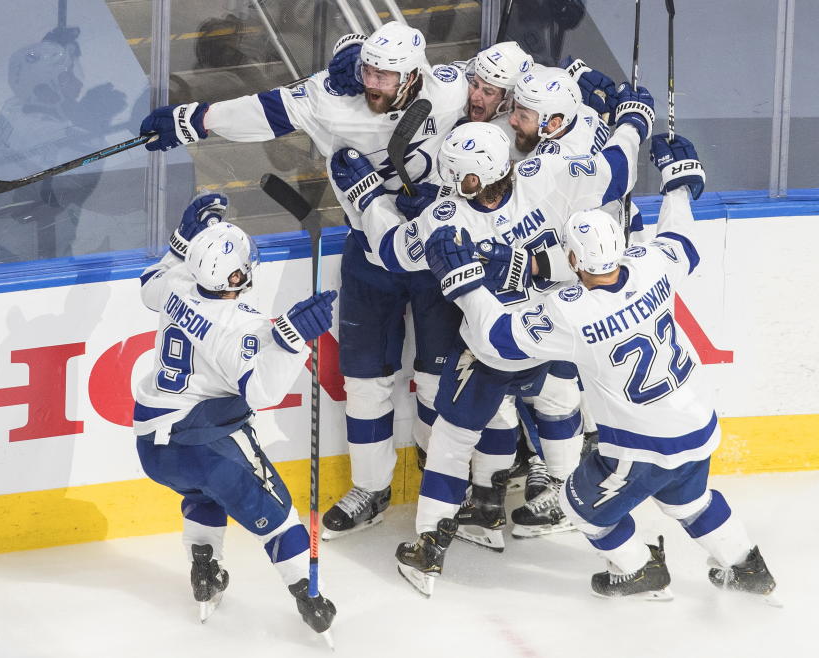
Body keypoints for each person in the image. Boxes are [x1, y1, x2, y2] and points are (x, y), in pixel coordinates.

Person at [138, 21, 469, 540]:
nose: (373, 83)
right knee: (363, 387)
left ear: (413, 75)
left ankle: (441, 486)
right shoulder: (332, 96)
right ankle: (372, 488)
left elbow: (507, 89)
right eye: (369, 71)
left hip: (441, 257)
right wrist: (195, 119)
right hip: (371, 252)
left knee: (437, 383)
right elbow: (267, 111)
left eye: (386, 76)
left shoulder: (451, 87)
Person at [422, 133, 778, 602]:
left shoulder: (571, 312)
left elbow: (496, 341)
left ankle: (639, 571)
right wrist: (678, 186)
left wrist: (462, 281)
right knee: (689, 500)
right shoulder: (650, 262)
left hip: (642, 443)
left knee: (581, 507)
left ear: (572, 259)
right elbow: (682, 240)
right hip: (698, 424)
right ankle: (750, 570)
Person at [331, 80, 654, 592]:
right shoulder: (545, 171)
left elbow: (392, 251)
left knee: (452, 443)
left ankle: (431, 548)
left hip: (493, 352)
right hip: (553, 336)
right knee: (562, 414)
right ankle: (618, 546)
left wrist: (367, 197)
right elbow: (616, 172)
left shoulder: (445, 220)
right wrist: (634, 120)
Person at [133, 193, 339, 633]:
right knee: (279, 519)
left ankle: (204, 569)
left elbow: (149, 284)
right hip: (208, 446)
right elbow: (261, 391)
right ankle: (309, 595)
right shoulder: (243, 326)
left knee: (203, 493)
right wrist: (292, 339)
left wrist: (179, 241)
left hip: (153, 447)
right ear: (238, 272)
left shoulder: (178, 284)